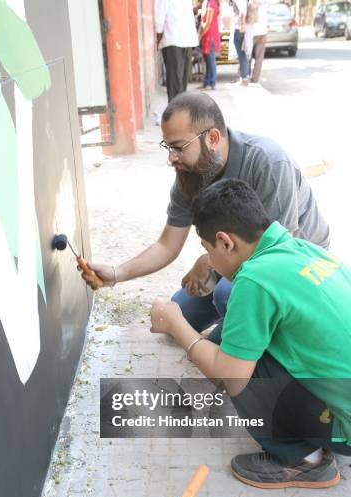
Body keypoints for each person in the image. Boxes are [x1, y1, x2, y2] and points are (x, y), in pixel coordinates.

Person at [150, 178, 351, 488]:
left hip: (344, 430)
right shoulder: (304, 249)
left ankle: (303, 460)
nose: (210, 259)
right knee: (244, 334)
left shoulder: (256, 279)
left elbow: (230, 375)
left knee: (241, 368)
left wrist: (177, 324)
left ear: (225, 241)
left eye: (207, 249)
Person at [82, 92, 329, 342]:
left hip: (294, 259)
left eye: (178, 147)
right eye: (168, 147)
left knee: (224, 296)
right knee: (182, 313)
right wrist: (116, 274)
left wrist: (209, 262)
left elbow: (277, 251)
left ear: (212, 137)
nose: (171, 158)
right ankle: (241, 320)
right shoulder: (190, 174)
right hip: (232, 255)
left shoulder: (268, 161)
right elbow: (167, 244)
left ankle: (266, 336)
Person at [155, 0, 199, 101]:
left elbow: (159, 14)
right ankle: (177, 113)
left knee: (176, 84)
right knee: (180, 84)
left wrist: (158, 33)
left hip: (174, 39)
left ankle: (176, 113)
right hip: (184, 39)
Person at [197, 0, 221, 90]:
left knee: (211, 61)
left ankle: (211, 82)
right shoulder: (207, 3)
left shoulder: (211, 3)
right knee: (207, 60)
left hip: (210, 35)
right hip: (207, 35)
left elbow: (208, 23)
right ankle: (206, 82)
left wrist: (200, 35)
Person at [231, 0, 251, 86]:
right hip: (240, 28)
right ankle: (244, 77)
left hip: (239, 28)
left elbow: (242, 13)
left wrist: (242, 26)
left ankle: (245, 78)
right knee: (242, 55)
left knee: (241, 55)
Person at [250, 0, 268, 83]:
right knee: (259, 57)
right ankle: (255, 79)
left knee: (246, 54)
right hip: (263, 30)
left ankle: (244, 76)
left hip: (253, 30)